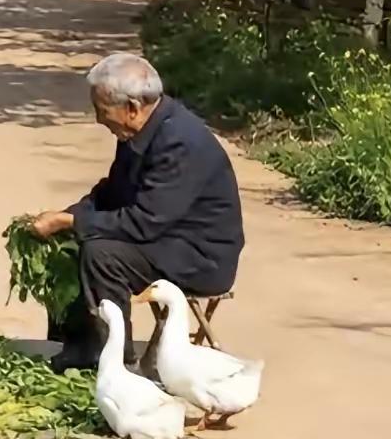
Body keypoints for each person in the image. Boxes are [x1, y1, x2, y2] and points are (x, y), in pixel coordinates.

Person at [30, 52, 244, 372]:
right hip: (166, 237)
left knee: (101, 253)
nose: (99, 120)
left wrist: (73, 220)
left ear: (131, 108)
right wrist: (68, 215)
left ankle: (114, 360)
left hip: (199, 255)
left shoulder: (178, 142)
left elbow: (144, 222)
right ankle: (77, 345)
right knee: (70, 239)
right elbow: (114, 192)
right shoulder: (140, 130)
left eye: (102, 111)